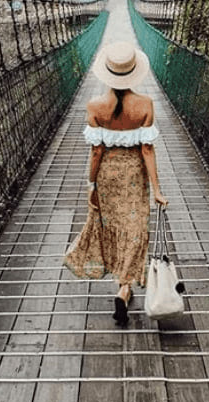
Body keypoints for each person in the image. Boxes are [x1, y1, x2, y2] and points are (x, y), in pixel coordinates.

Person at [63, 40, 169, 327]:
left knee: (112, 227)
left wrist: (92, 186)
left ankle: (121, 285)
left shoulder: (95, 106)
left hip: (108, 176)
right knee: (135, 228)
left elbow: (96, 151)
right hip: (135, 177)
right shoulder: (145, 105)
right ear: (134, 72)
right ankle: (124, 287)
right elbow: (147, 149)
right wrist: (157, 189)